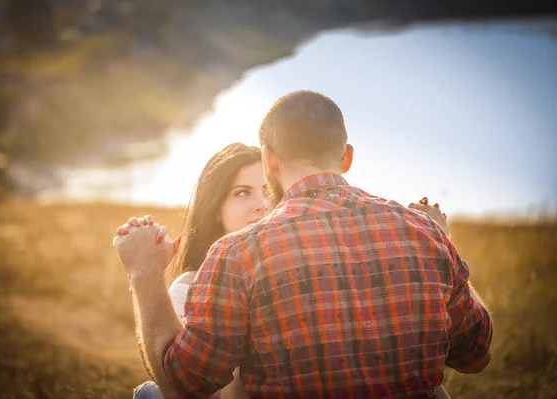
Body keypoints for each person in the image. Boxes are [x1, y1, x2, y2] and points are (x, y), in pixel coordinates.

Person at [113, 90, 492, 398]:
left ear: (269, 162)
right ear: (346, 157)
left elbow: (184, 384)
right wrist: (442, 239)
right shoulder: (423, 233)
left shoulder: (239, 253)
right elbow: (475, 356)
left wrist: (145, 273)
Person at [122, 142, 268, 399]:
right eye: (243, 193)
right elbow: (186, 390)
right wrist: (145, 271)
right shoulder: (189, 287)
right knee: (151, 393)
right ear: (216, 211)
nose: (262, 204)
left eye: (269, 191)